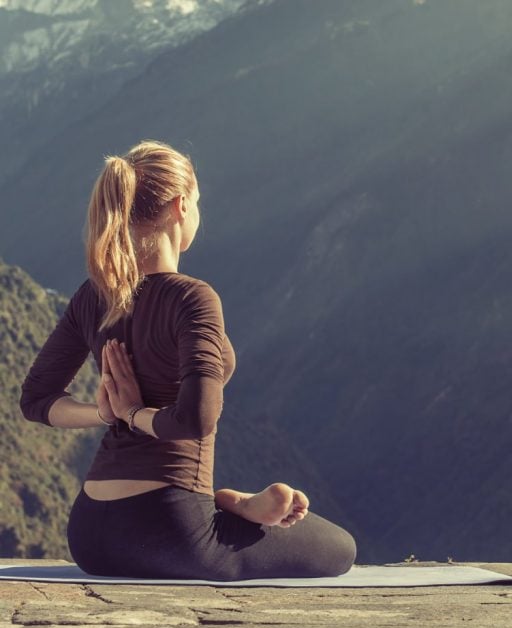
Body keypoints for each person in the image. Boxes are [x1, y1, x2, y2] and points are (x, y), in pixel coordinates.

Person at [19, 140, 356, 580]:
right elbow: (196, 419)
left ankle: (230, 503)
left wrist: (102, 413)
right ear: (180, 206)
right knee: (340, 549)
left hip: (89, 533)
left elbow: (36, 400)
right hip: (169, 527)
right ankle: (229, 506)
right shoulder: (192, 298)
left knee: (229, 524)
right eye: (197, 202)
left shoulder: (93, 296)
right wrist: (131, 413)